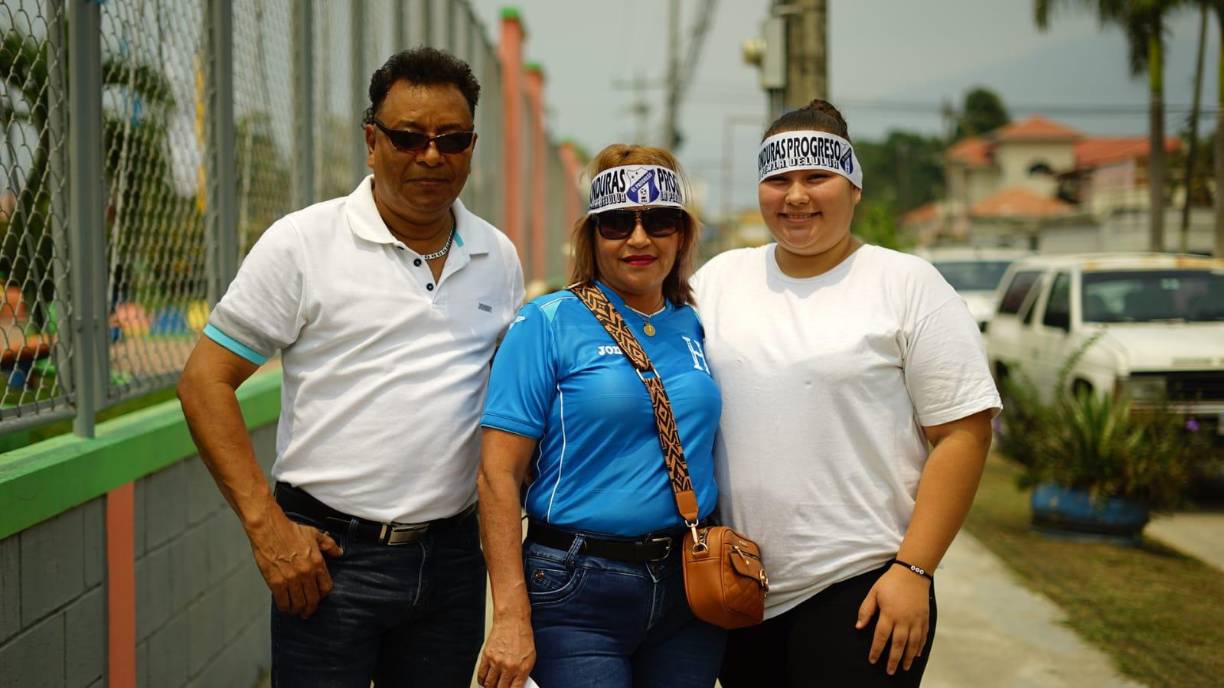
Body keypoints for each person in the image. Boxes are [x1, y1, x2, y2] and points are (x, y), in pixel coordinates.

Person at [176, 47, 524, 687]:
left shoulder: (497, 258)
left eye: (451, 139)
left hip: (450, 562)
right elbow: (204, 382)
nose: (431, 156)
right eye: (407, 136)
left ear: (471, 145)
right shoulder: (304, 244)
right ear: (371, 141)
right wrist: (267, 529)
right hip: (329, 562)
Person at [694, 100, 1001, 687]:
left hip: (862, 589)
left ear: (854, 185)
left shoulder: (906, 284)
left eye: (817, 177)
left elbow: (963, 432)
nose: (796, 196)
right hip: (739, 590)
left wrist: (915, 569)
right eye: (778, 179)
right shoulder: (718, 281)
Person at [475, 145, 726, 688]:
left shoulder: (696, 324)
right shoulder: (546, 323)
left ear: (681, 233)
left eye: (659, 220)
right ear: (591, 235)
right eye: (617, 222)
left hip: (688, 584)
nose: (639, 239)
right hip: (576, 588)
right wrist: (511, 616)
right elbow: (497, 477)